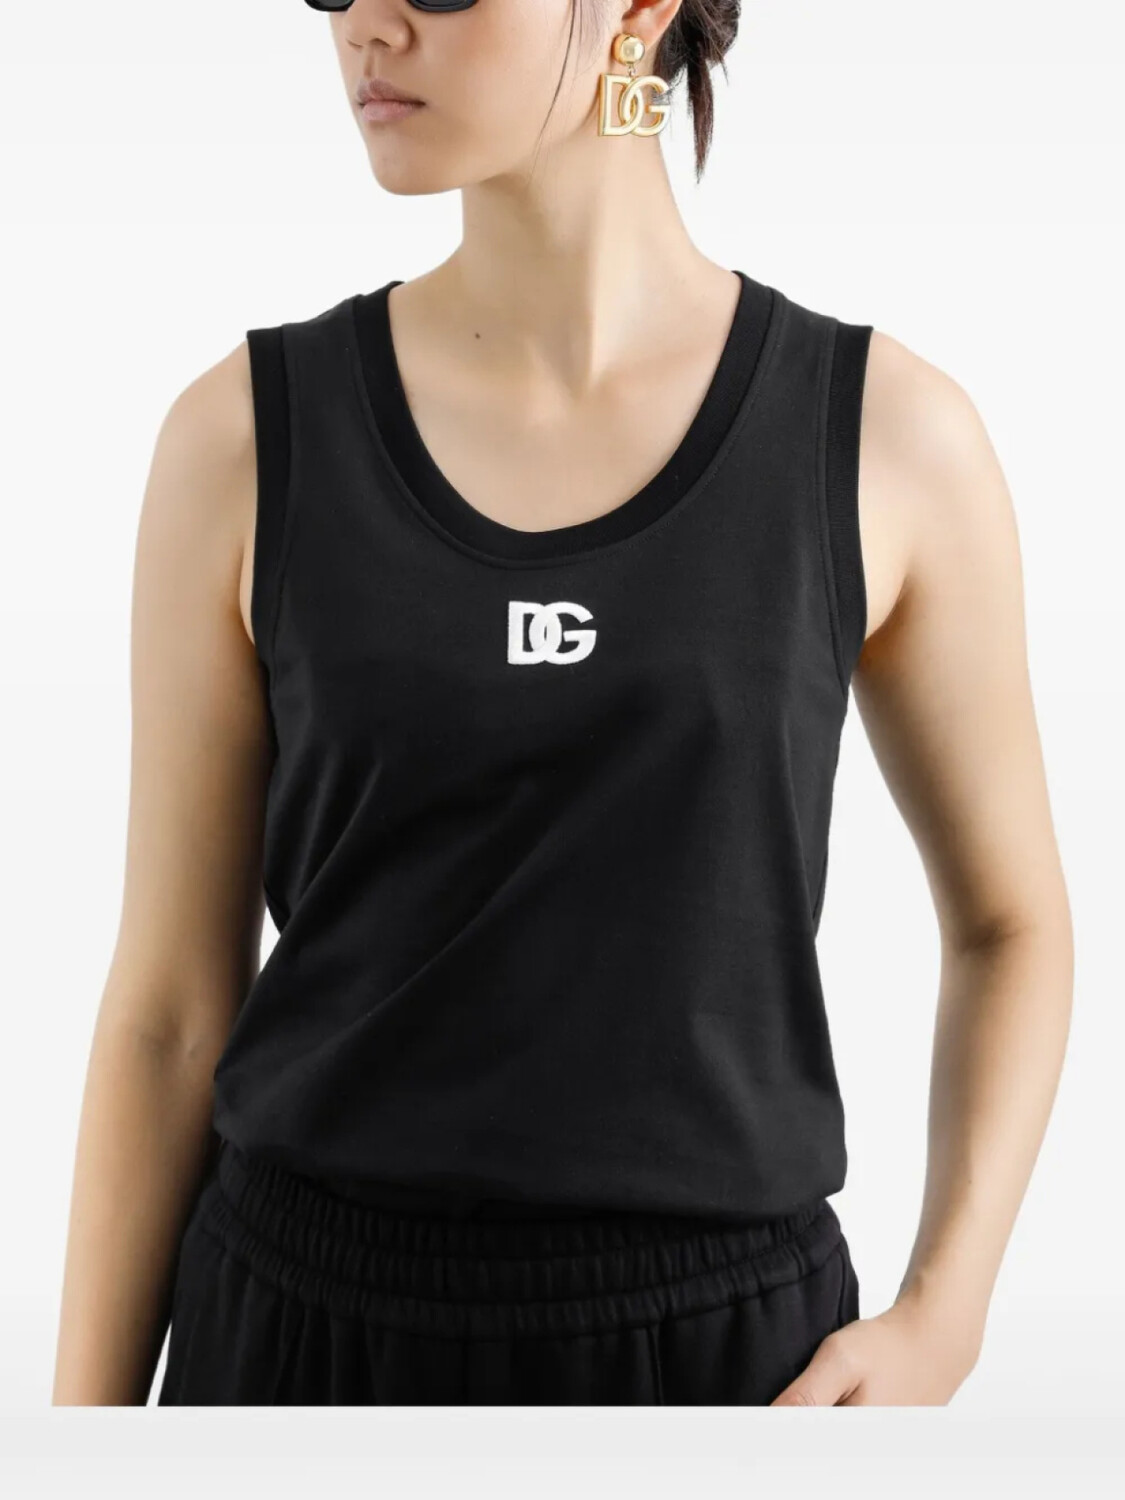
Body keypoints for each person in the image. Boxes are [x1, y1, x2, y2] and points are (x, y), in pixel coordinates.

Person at [52, 0, 1073, 1406]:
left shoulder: (887, 441)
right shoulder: (239, 439)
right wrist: (83, 1444)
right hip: (300, 1340)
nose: (366, 27)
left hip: (726, 1370)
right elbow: (169, 1011)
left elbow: (1011, 923)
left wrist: (945, 1315)